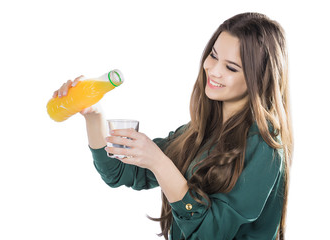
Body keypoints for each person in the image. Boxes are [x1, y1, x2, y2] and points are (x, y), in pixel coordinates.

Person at [53, 12, 292, 240]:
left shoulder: (265, 146)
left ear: (260, 78)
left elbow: (208, 234)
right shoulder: (198, 132)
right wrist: (94, 115)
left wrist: (159, 162)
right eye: (213, 55)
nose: (213, 70)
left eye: (231, 68)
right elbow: (116, 172)